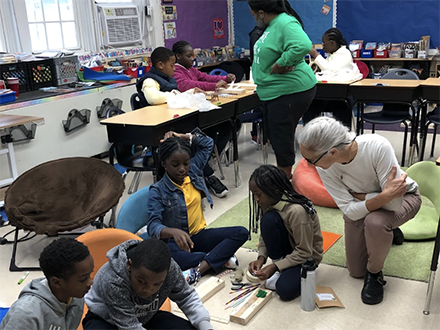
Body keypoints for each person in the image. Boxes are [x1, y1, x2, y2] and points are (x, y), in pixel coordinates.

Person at [297, 117, 422, 305]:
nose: (309, 165)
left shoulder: (377, 146)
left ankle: (375, 275)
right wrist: (380, 196)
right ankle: (386, 232)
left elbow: (394, 204)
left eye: (311, 160)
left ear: (332, 152)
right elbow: (348, 210)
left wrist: (361, 197)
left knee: (376, 222)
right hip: (370, 204)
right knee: (355, 271)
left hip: (406, 198)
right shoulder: (325, 166)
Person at [146, 129, 249, 284]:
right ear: (164, 164)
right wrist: (173, 232)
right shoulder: (158, 190)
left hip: (198, 236)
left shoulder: (193, 170)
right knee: (168, 259)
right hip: (176, 243)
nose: (182, 169)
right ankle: (218, 258)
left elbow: (208, 143)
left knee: (241, 232)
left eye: (185, 163)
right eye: (175, 165)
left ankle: (199, 269)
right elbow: (152, 226)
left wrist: (182, 136)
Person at [247, 0, 317, 179]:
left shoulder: (285, 22)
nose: (252, 16)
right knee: (278, 139)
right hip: (275, 91)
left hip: (289, 91)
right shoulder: (273, 25)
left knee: (281, 140)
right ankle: (285, 179)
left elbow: (303, 44)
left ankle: (285, 186)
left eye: (253, 13)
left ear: (261, 12)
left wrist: (281, 63)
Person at [83, 239, 214, 330]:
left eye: (157, 284)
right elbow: (129, 326)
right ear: (129, 265)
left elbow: (186, 296)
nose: (148, 290)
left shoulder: (170, 269)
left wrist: (205, 325)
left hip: (145, 316)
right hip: (105, 319)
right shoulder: (113, 280)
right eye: (141, 281)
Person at [248, 165, 323, 301]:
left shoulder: (296, 211)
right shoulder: (269, 202)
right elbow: (265, 236)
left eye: (258, 194)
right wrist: (261, 258)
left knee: (285, 290)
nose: (256, 199)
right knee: (268, 219)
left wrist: (274, 267)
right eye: (253, 194)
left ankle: (282, 269)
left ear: (275, 190)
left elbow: (305, 252)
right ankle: (281, 268)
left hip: (306, 257)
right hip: (290, 250)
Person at [172, 40, 236, 197]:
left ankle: (209, 159)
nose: (192, 59)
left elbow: (204, 77)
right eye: (188, 56)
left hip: (202, 110)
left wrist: (224, 79)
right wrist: (216, 86)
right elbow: (189, 85)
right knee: (208, 133)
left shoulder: (191, 68)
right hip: (187, 117)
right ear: (178, 56)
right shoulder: (176, 72)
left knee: (228, 126)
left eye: (193, 55)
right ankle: (206, 170)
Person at [0, 238, 94, 330]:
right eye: (83, 279)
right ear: (57, 282)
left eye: (90, 275)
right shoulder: (26, 315)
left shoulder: (75, 296)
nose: (90, 282)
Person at [302, 28, 361, 128]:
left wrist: (315, 54)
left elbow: (330, 69)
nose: (323, 46)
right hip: (330, 93)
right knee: (310, 104)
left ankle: (343, 135)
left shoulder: (344, 54)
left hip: (340, 96)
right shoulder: (333, 54)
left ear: (332, 43)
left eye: (324, 44)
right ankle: (310, 132)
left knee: (339, 107)